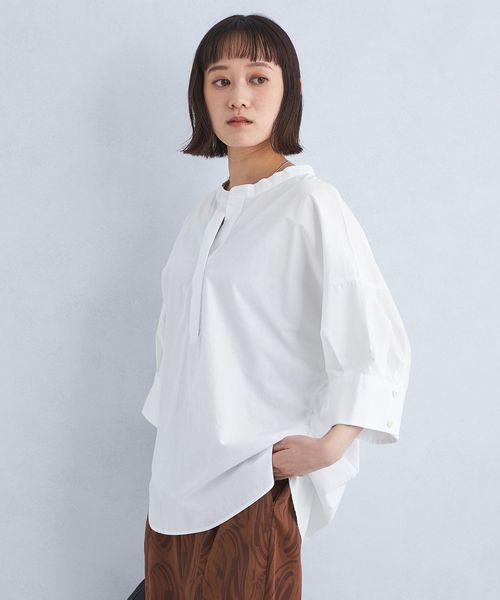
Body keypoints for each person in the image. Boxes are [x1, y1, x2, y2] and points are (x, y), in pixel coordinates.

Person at [142, 13, 412, 600]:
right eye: (220, 80)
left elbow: (372, 336)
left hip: (253, 484)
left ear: (289, 91)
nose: (238, 96)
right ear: (201, 96)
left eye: (258, 78)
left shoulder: (311, 203)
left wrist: (330, 445)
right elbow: (176, 349)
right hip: (172, 492)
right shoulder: (200, 219)